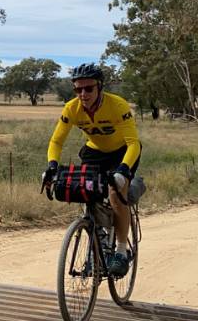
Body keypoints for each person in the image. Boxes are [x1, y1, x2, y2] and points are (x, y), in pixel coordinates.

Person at [43, 63, 141, 277]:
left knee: (116, 194)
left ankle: (121, 252)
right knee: (86, 190)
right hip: (94, 151)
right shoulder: (72, 108)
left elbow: (133, 142)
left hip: (122, 152)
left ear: (100, 87)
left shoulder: (117, 105)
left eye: (88, 88)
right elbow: (56, 141)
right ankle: (98, 242)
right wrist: (52, 166)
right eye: (78, 89)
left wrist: (123, 170)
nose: (83, 94)